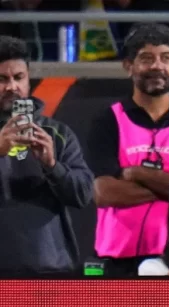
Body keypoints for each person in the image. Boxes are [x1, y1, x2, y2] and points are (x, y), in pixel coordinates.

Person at [87, 23, 169, 278]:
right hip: (116, 259)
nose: (157, 66)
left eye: (165, 58)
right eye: (147, 58)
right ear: (129, 66)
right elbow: (104, 193)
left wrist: (136, 174)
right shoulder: (107, 120)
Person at [0, 35, 94, 275]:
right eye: (2, 79)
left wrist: (52, 166)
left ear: (28, 79)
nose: (12, 87)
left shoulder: (57, 133)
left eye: (19, 77)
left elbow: (83, 195)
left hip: (48, 269)